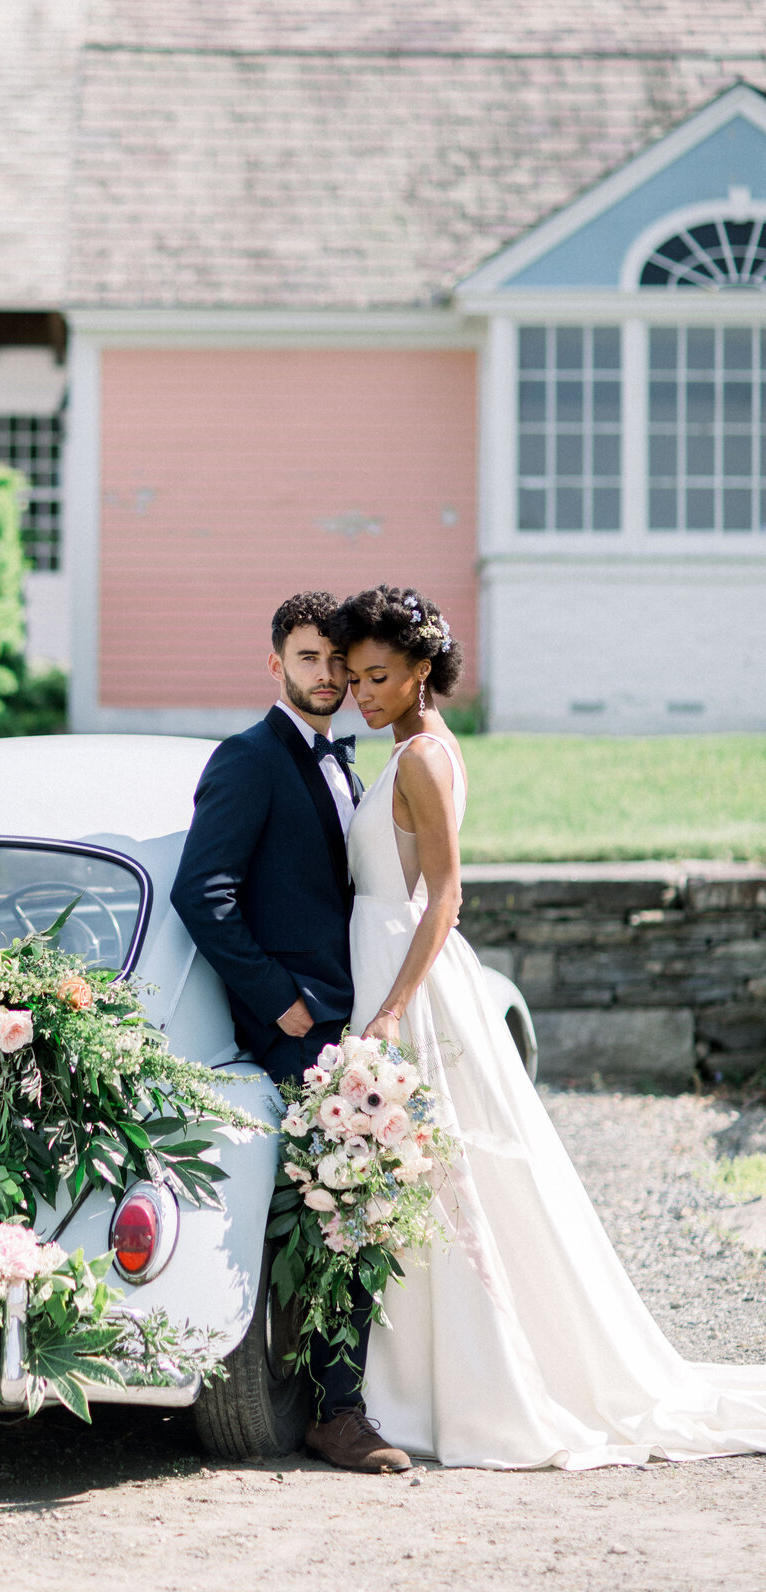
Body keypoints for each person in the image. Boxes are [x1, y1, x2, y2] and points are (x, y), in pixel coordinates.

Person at [331, 582, 766, 1468]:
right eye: (355, 677)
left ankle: (470, 1379)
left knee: (444, 1176)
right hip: (384, 957)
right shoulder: (411, 748)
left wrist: (391, 1009)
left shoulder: (422, 759)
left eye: (379, 676)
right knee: (427, 1179)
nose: (362, 693)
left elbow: (445, 897)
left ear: (421, 670)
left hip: (408, 977)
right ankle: (416, 1373)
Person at [171, 591, 411, 1473]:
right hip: (296, 1029)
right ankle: (334, 1413)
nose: (329, 677)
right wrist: (283, 1003)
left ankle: (342, 1399)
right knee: (334, 1211)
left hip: (350, 1020)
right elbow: (204, 892)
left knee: (350, 1209)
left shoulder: (341, 762)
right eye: (309, 659)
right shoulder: (249, 759)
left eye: (339, 664)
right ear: (275, 663)